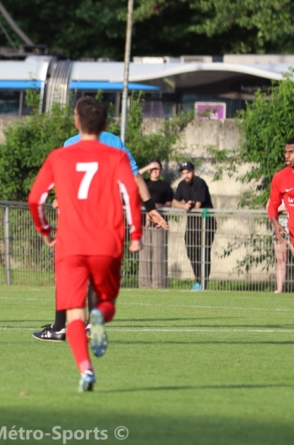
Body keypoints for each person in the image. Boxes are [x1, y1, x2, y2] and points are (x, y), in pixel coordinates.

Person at [28, 97, 142, 391]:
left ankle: (86, 370)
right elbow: (130, 192)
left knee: (73, 314)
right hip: (107, 242)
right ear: (105, 125)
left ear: (76, 121)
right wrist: (135, 234)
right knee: (105, 304)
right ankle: (100, 318)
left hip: (71, 244)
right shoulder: (115, 156)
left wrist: (45, 230)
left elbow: (36, 198)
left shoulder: (59, 156)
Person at [33, 99, 168, 342]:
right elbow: (135, 179)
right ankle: (89, 323)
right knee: (97, 276)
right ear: (104, 121)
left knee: (68, 276)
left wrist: (53, 214)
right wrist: (149, 208)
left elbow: (54, 190)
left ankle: (61, 327)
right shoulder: (115, 144)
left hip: (74, 224)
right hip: (106, 223)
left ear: (77, 118)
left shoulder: (68, 146)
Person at [172, 161, 216, 291]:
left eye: (188, 172)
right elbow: (175, 202)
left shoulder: (200, 183)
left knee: (203, 251)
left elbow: (197, 206)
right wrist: (184, 206)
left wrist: (189, 206)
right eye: (183, 173)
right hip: (192, 222)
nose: (186, 175)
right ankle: (199, 280)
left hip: (205, 222)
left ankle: (203, 282)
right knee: (191, 250)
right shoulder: (181, 185)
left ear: (194, 172)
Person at [138, 158, 173, 288]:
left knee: (159, 253)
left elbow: (170, 202)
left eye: (157, 169)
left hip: (159, 223)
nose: (154, 171)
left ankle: (159, 284)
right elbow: (133, 177)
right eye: (153, 169)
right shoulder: (144, 182)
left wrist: (159, 206)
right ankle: (144, 284)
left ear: (161, 170)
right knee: (145, 253)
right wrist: (148, 166)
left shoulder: (165, 186)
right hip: (144, 223)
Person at [268, 138, 294, 293]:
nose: (287, 156)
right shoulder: (280, 177)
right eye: (286, 152)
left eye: (291, 152)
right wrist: (275, 222)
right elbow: (273, 203)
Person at [267, 200, 293, 293]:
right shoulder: (276, 191)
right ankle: (279, 289)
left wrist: (281, 209)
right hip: (279, 225)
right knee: (280, 259)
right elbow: (269, 207)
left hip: (291, 223)